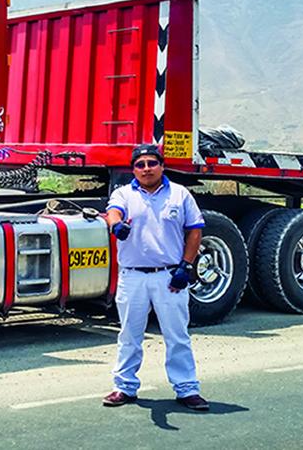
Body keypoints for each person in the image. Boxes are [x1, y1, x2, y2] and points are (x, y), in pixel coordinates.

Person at [101, 143, 209, 411]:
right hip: (133, 277)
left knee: (177, 335)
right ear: (133, 169)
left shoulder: (180, 194)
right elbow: (113, 212)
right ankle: (124, 386)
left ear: (162, 166)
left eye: (152, 163)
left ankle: (187, 389)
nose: (146, 169)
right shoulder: (124, 194)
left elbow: (195, 230)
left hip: (169, 277)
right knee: (129, 335)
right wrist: (116, 226)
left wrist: (185, 267)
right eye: (140, 165)